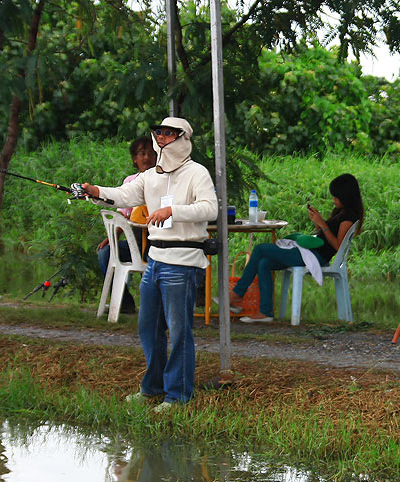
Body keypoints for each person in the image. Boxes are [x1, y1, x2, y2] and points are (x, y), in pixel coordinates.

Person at [81, 117, 218, 412]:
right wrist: (96, 192)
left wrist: (173, 210)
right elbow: (122, 194)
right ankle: (152, 387)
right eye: (159, 133)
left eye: (169, 134)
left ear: (183, 137)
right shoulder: (150, 176)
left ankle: (178, 395)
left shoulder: (197, 173)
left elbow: (210, 208)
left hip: (182, 262)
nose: (162, 138)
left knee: (179, 331)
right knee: (148, 328)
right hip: (155, 260)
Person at [229, 173, 364, 323]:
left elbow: (338, 246)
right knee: (264, 263)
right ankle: (265, 312)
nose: (334, 200)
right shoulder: (340, 212)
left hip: (317, 256)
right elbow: (324, 236)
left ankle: (237, 293)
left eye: (336, 197)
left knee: (260, 249)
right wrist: (317, 223)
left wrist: (323, 224)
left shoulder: (348, 217)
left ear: (346, 197)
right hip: (312, 250)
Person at [95, 136, 156, 313]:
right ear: (134, 159)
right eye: (142, 154)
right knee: (105, 253)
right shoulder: (130, 182)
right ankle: (124, 303)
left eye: (151, 153)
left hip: (157, 243)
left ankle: (155, 307)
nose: (146, 158)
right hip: (135, 244)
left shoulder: (163, 180)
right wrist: (112, 237)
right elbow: (123, 214)